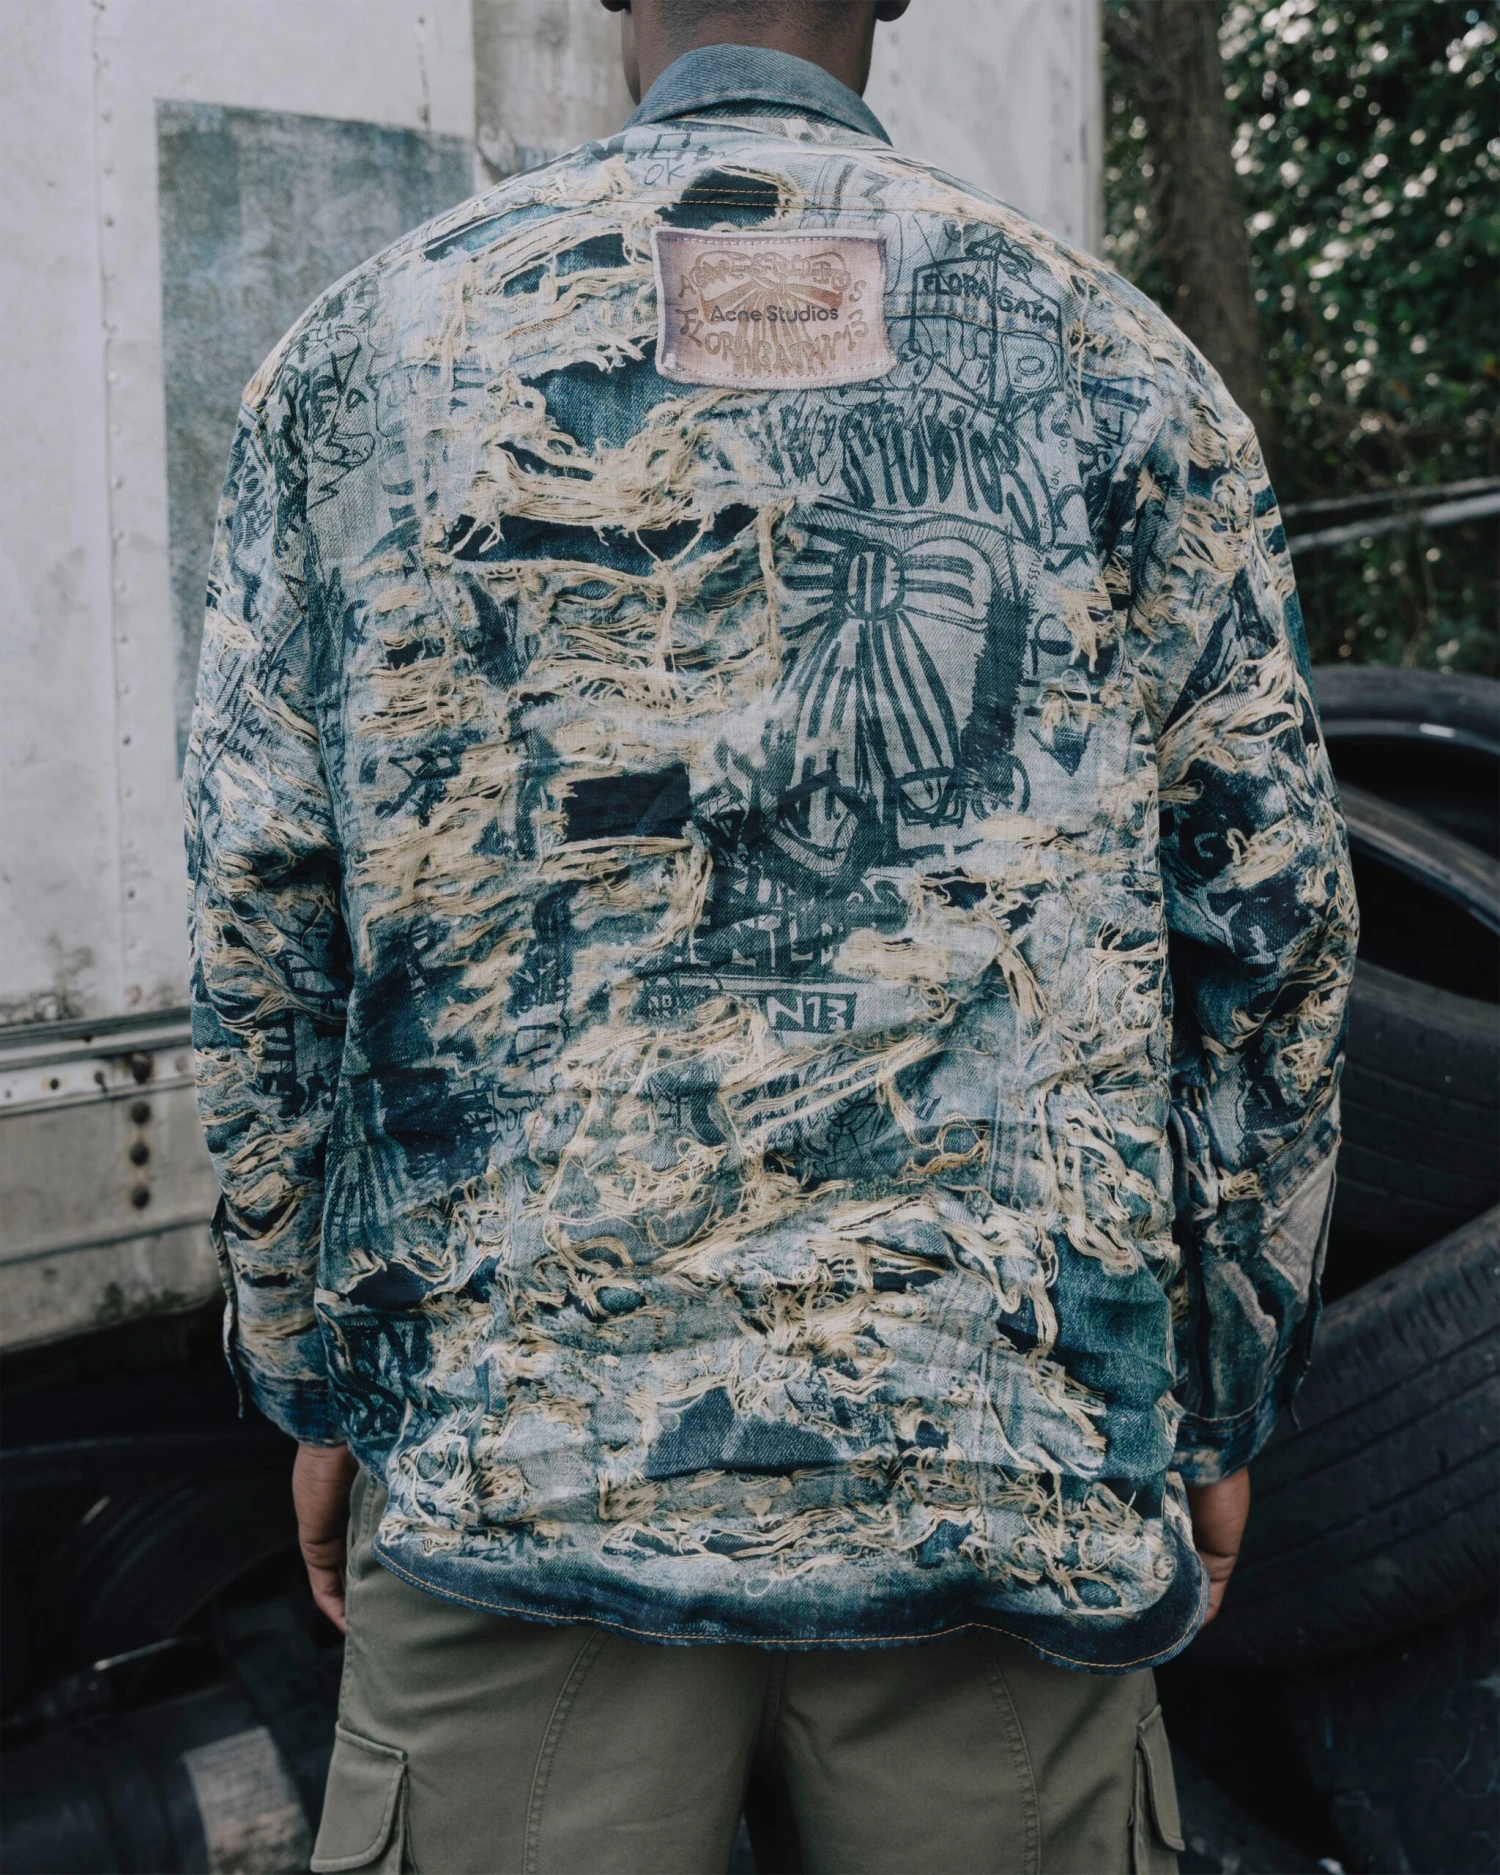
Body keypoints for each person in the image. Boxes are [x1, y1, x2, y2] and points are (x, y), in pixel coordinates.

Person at [184, 1, 1356, 1868]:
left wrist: (313, 1369)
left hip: (520, 1466)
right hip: (992, 1463)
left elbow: (265, 931)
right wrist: (1215, 1393)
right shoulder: (1120, 367)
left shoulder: (365, 360)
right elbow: (1272, 934)